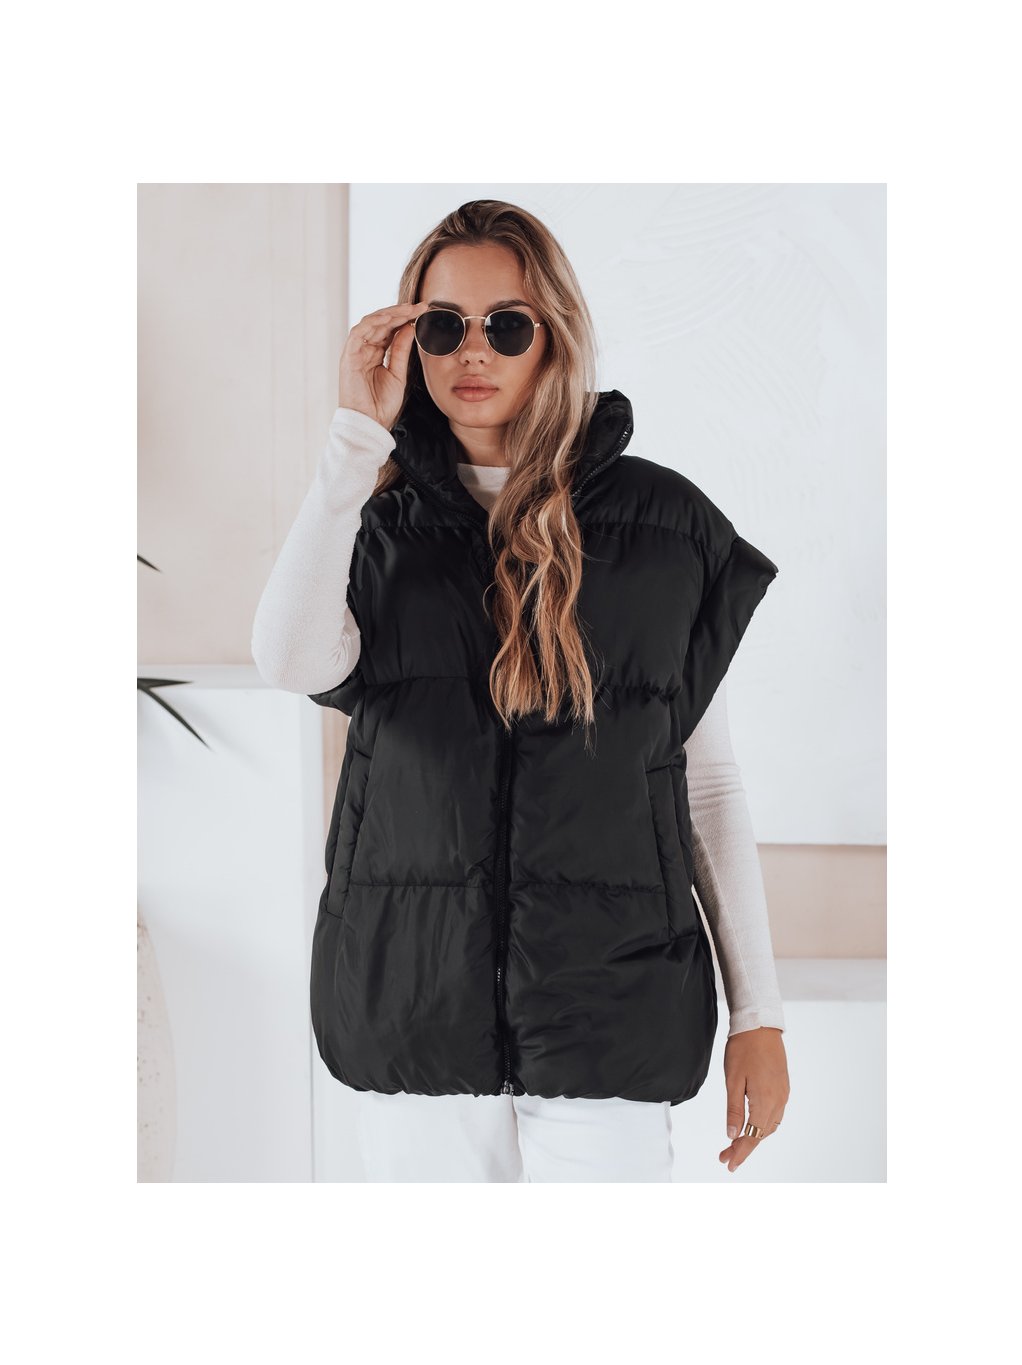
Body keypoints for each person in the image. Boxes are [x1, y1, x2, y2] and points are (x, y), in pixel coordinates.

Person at [252, 199, 790, 1182]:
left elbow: (707, 786)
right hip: (415, 1011)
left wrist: (758, 1015)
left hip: (610, 1015)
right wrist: (352, 441)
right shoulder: (373, 522)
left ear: (554, 334)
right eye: (442, 325)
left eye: (506, 324)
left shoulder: (663, 527)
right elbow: (288, 662)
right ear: (409, 338)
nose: (474, 350)